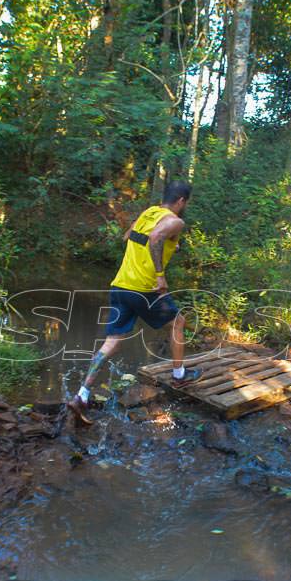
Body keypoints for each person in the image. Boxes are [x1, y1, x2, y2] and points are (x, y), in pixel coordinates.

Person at [67, 181, 202, 426]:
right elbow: (156, 236)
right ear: (182, 201)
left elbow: (129, 236)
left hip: (120, 285)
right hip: (145, 288)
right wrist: (160, 274)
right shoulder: (176, 221)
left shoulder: (148, 213)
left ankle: (82, 395)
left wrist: (172, 245)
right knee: (177, 323)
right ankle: (179, 375)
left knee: (112, 342)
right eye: (186, 202)